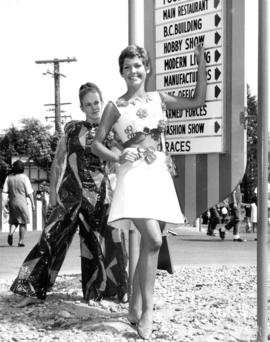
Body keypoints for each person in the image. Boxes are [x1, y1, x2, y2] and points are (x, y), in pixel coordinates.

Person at [92, 44, 206, 340]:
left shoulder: (158, 98)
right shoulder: (114, 106)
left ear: (147, 69)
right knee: (154, 240)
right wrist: (117, 156)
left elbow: (198, 99)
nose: (133, 71)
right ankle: (147, 314)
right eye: (127, 67)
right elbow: (96, 144)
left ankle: (134, 305)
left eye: (138, 66)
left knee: (148, 243)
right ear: (121, 72)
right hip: (132, 177)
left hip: (157, 174)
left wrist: (201, 64)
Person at [10, 82, 128, 307]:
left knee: (101, 244)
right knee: (48, 239)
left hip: (99, 195)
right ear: (81, 107)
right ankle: (30, 290)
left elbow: (118, 160)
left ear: (102, 103)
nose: (93, 107)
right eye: (88, 104)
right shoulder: (72, 129)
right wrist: (53, 193)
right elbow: (58, 162)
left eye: (96, 103)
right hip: (69, 195)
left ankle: (103, 293)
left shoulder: (111, 131)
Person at [2, 160, 35, 247]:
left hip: (12, 203)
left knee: (15, 221)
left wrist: (4, 204)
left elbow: (5, 191)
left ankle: (10, 233)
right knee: (23, 222)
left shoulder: (8, 178)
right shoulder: (24, 178)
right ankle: (20, 241)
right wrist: (33, 204)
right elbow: (29, 192)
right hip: (22, 202)